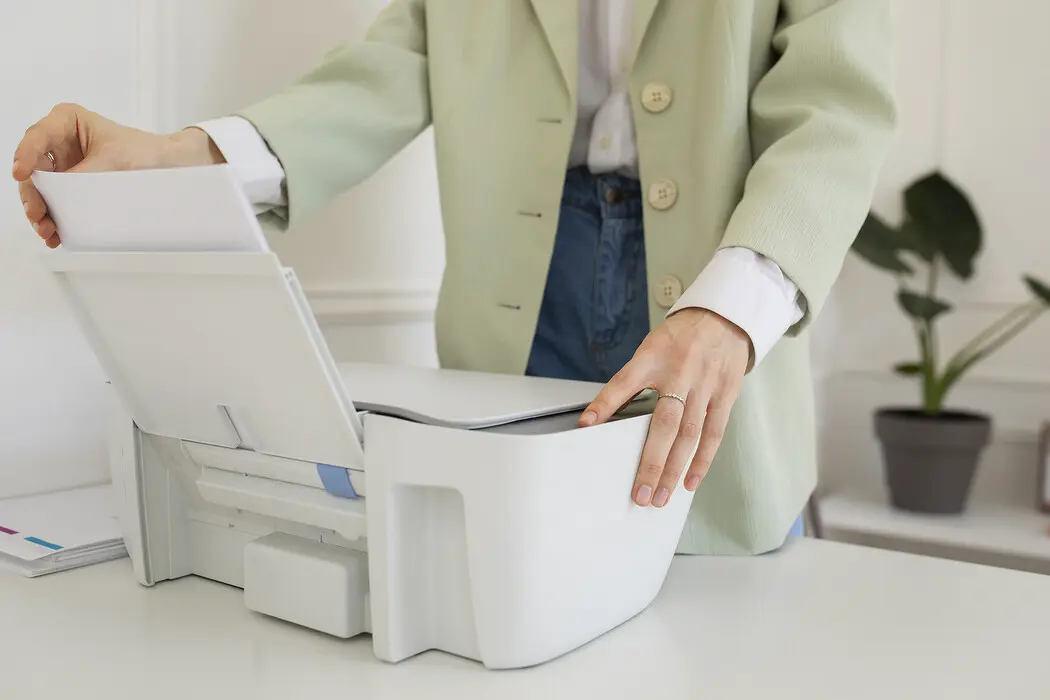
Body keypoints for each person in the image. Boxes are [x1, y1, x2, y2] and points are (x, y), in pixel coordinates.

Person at [12, 1, 895, 555]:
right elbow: (395, 65)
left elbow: (837, 111)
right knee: (519, 581)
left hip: (721, 274)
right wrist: (183, 160)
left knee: (726, 619)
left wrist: (734, 308)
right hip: (516, 298)